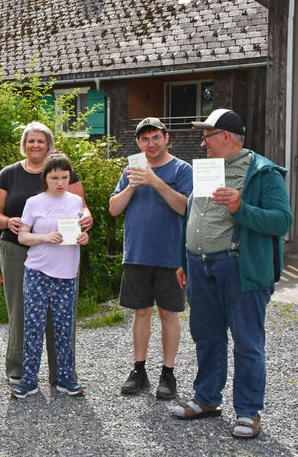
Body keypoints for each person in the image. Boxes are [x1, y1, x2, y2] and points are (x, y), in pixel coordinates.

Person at [172, 109, 291, 440]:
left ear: (225, 136)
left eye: (207, 136)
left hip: (238, 265)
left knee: (247, 341)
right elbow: (195, 216)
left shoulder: (264, 174)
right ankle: (207, 399)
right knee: (206, 336)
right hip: (199, 264)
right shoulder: (208, 168)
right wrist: (185, 258)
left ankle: (248, 411)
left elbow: (282, 221)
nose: (202, 142)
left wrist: (241, 208)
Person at [0, 121, 92, 385]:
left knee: (60, 314)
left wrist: (87, 220)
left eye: (40, 141)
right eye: (31, 140)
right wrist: (7, 221)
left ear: (49, 145)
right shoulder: (8, 174)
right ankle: (19, 371)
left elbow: (82, 208)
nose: (35, 145)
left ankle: (62, 373)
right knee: (20, 311)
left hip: (60, 250)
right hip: (16, 249)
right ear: (24, 145)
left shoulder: (63, 171)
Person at [108, 118, 192, 400]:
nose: (151, 144)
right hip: (137, 253)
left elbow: (186, 208)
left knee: (168, 313)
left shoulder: (181, 169)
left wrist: (156, 182)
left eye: (155, 137)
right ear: (138, 143)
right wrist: (132, 185)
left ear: (166, 138)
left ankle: (168, 374)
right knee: (141, 312)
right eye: (145, 139)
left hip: (170, 256)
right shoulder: (131, 169)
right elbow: (113, 209)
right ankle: (139, 370)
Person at [10, 153, 89, 398]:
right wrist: (45, 237)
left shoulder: (76, 202)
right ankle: (29, 380)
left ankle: (65, 378)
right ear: (45, 177)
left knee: (65, 328)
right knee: (33, 327)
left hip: (67, 274)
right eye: (54, 177)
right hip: (37, 272)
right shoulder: (34, 202)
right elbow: (23, 236)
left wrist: (84, 238)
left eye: (64, 177)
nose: (60, 182)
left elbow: (80, 233)